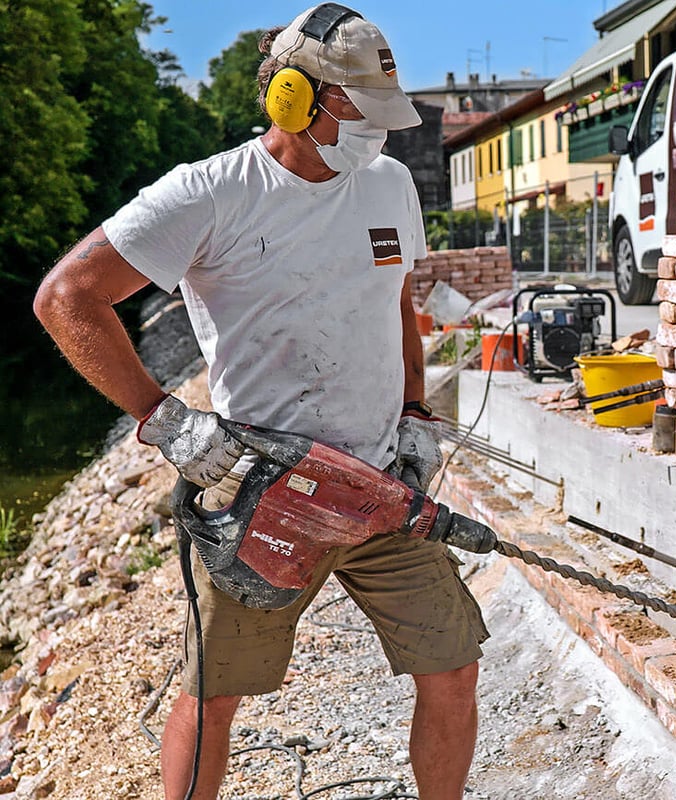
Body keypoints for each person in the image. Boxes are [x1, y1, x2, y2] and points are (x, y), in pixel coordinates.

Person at [32, 5, 489, 799]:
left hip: (382, 483)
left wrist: (415, 415)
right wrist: (164, 417)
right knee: (214, 696)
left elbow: (400, 305)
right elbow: (67, 297)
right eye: (358, 112)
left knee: (452, 668)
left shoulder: (385, 184)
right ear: (291, 97)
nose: (376, 135)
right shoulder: (209, 195)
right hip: (262, 494)